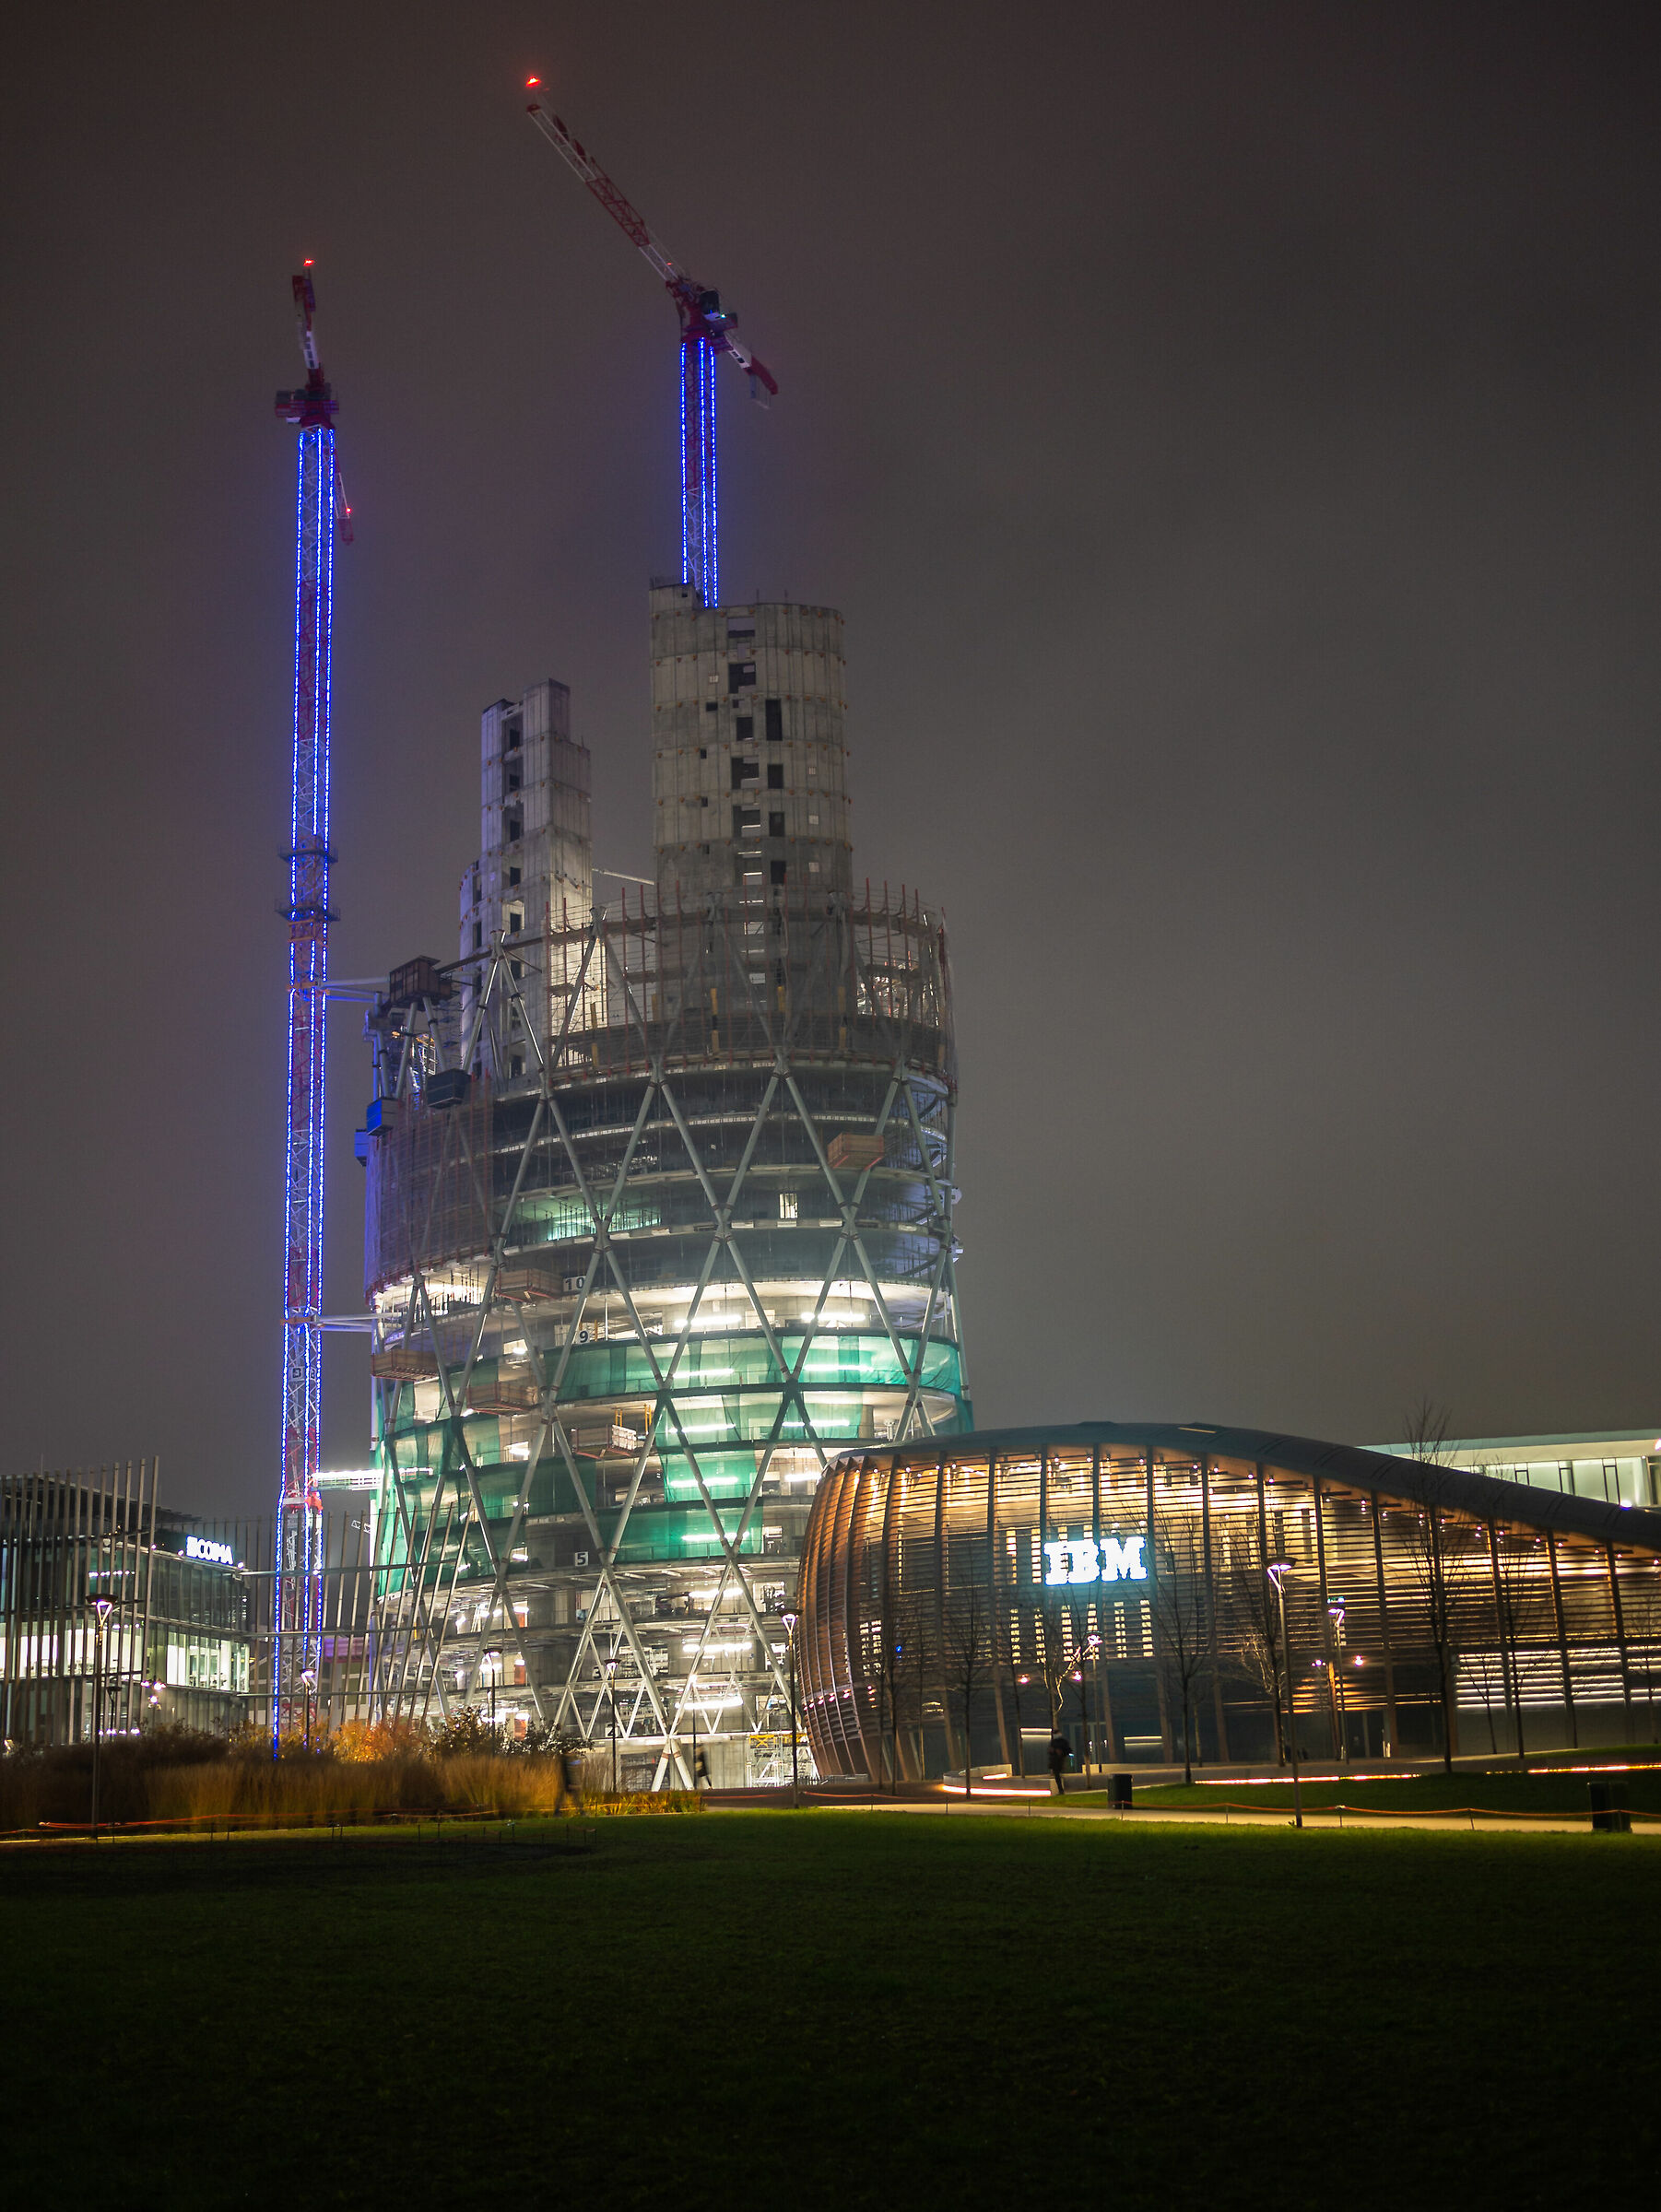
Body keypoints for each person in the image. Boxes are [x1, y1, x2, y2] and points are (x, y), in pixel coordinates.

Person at [1048, 1732, 1072, 1796]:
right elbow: (1050, 1751)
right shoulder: (1053, 1742)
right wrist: (1052, 1751)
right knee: (1057, 1775)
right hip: (1055, 1761)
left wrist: (1062, 1753)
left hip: (1061, 1760)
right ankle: (1061, 1789)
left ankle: (1062, 1789)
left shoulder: (1063, 1742)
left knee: (1059, 1775)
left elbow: (1068, 1750)